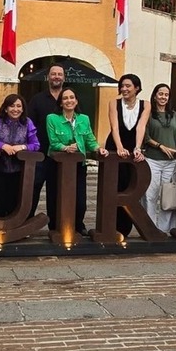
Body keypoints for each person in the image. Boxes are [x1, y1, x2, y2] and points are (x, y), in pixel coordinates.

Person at [46, 87, 108, 236]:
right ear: (61, 103)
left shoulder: (84, 119)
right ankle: (55, 227)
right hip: (57, 164)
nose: (69, 100)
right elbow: (53, 142)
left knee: (80, 199)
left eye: (72, 97)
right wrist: (65, 148)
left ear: (76, 101)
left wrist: (98, 149)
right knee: (56, 196)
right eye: (65, 98)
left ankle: (78, 226)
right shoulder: (52, 118)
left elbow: (89, 139)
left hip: (78, 165)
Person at [105, 73, 150, 237]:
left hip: (132, 148)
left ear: (136, 88)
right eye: (122, 86)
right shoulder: (114, 103)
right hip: (115, 146)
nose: (124, 89)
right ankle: (111, 226)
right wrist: (119, 147)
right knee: (114, 186)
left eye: (128, 86)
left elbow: (141, 127)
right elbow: (114, 127)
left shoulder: (145, 105)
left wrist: (137, 147)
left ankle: (125, 227)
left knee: (130, 186)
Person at [0, 94, 40, 217]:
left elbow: (35, 145)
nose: (15, 109)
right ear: (6, 108)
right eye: (12, 106)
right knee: (0, 201)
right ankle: (0, 230)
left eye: (19, 106)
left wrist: (23, 147)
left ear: (23, 109)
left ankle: (16, 230)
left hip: (20, 169)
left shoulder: (27, 123)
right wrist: (2, 146)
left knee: (16, 200)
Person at [142, 83, 176, 233]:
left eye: (166, 95)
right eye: (160, 94)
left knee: (168, 197)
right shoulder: (148, 114)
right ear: (155, 95)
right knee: (150, 195)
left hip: (171, 162)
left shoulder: (173, 114)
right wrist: (160, 146)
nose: (163, 97)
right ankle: (150, 229)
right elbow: (145, 137)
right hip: (152, 159)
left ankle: (164, 229)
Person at [27, 64, 65, 227]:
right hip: (41, 154)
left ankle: (55, 226)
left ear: (64, 78)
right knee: (33, 188)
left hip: (62, 155)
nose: (56, 76)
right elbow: (29, 125)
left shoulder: (69, 98)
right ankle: (26, 223)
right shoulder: (38, 99)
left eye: (59, 74)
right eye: (53, 74)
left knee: (56, 191)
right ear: (48, 77)